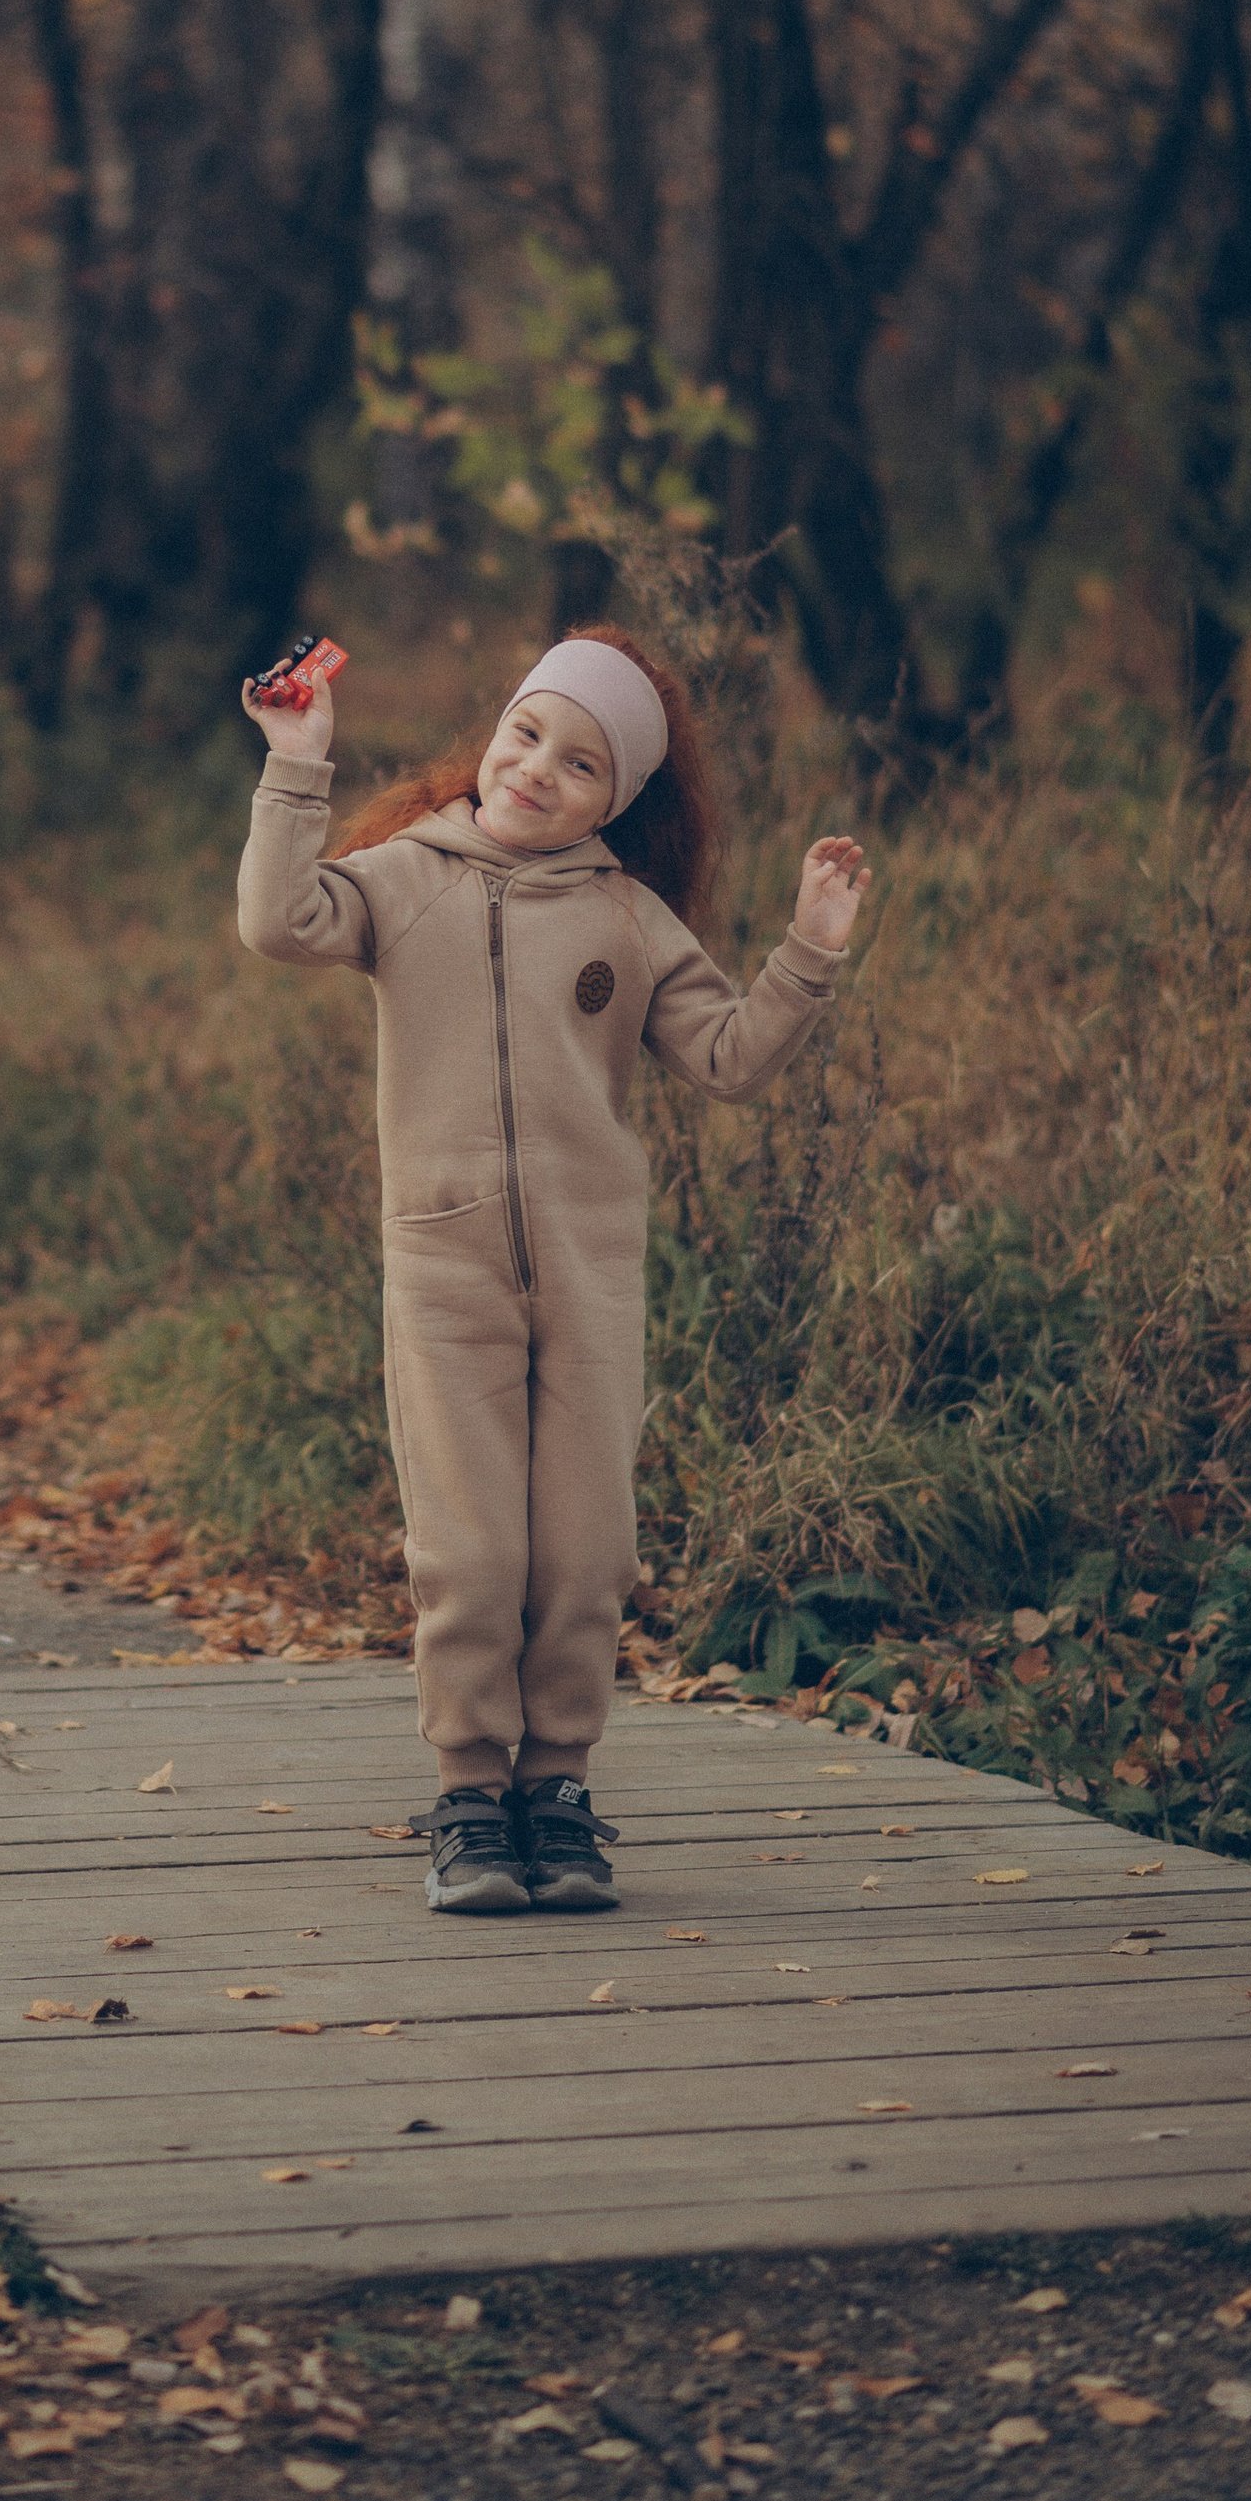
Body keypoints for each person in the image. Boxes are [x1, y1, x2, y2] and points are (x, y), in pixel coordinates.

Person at [237, 626, 866, 1917]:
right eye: (527, 734)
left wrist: (808, 952)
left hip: (588, 1275)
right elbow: (277, 920)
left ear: (619, 800)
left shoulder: (627, 919)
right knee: (471, 1555)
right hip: (443, 1269)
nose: (537, 771)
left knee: (583, 1554)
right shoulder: (404, 878)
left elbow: (732, 1059)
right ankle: (472, 1795)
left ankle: (558, 1790)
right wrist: (298, 766)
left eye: (580, 764)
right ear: (498, 732)